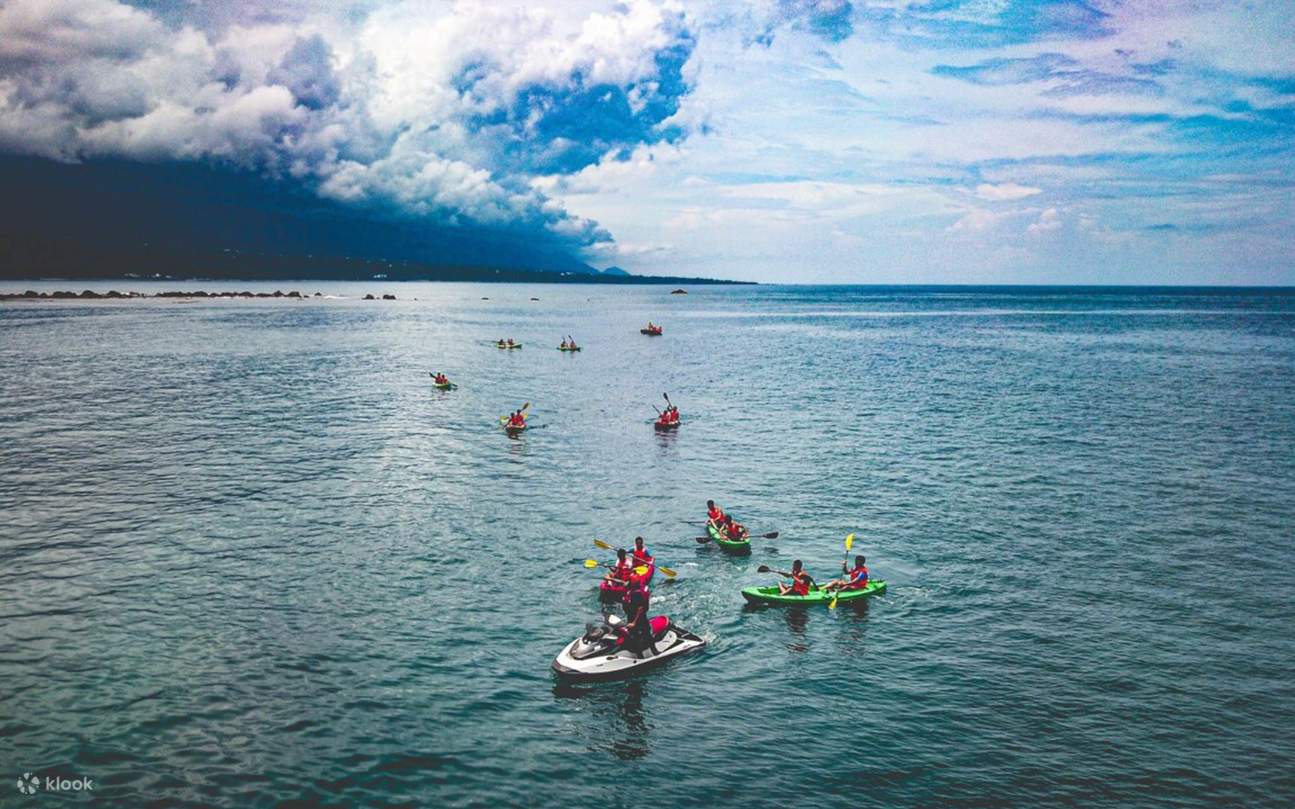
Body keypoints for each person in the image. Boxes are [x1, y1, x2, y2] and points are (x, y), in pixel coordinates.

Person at [621, 573, 659, 658]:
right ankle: (644, 652)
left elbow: (640, 609)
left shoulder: (636, 594)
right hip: (632, 616)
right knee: (639, 635)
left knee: (640, 636)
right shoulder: (632, 589)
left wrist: (634, 622)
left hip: (637, 617)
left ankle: (648, 653)